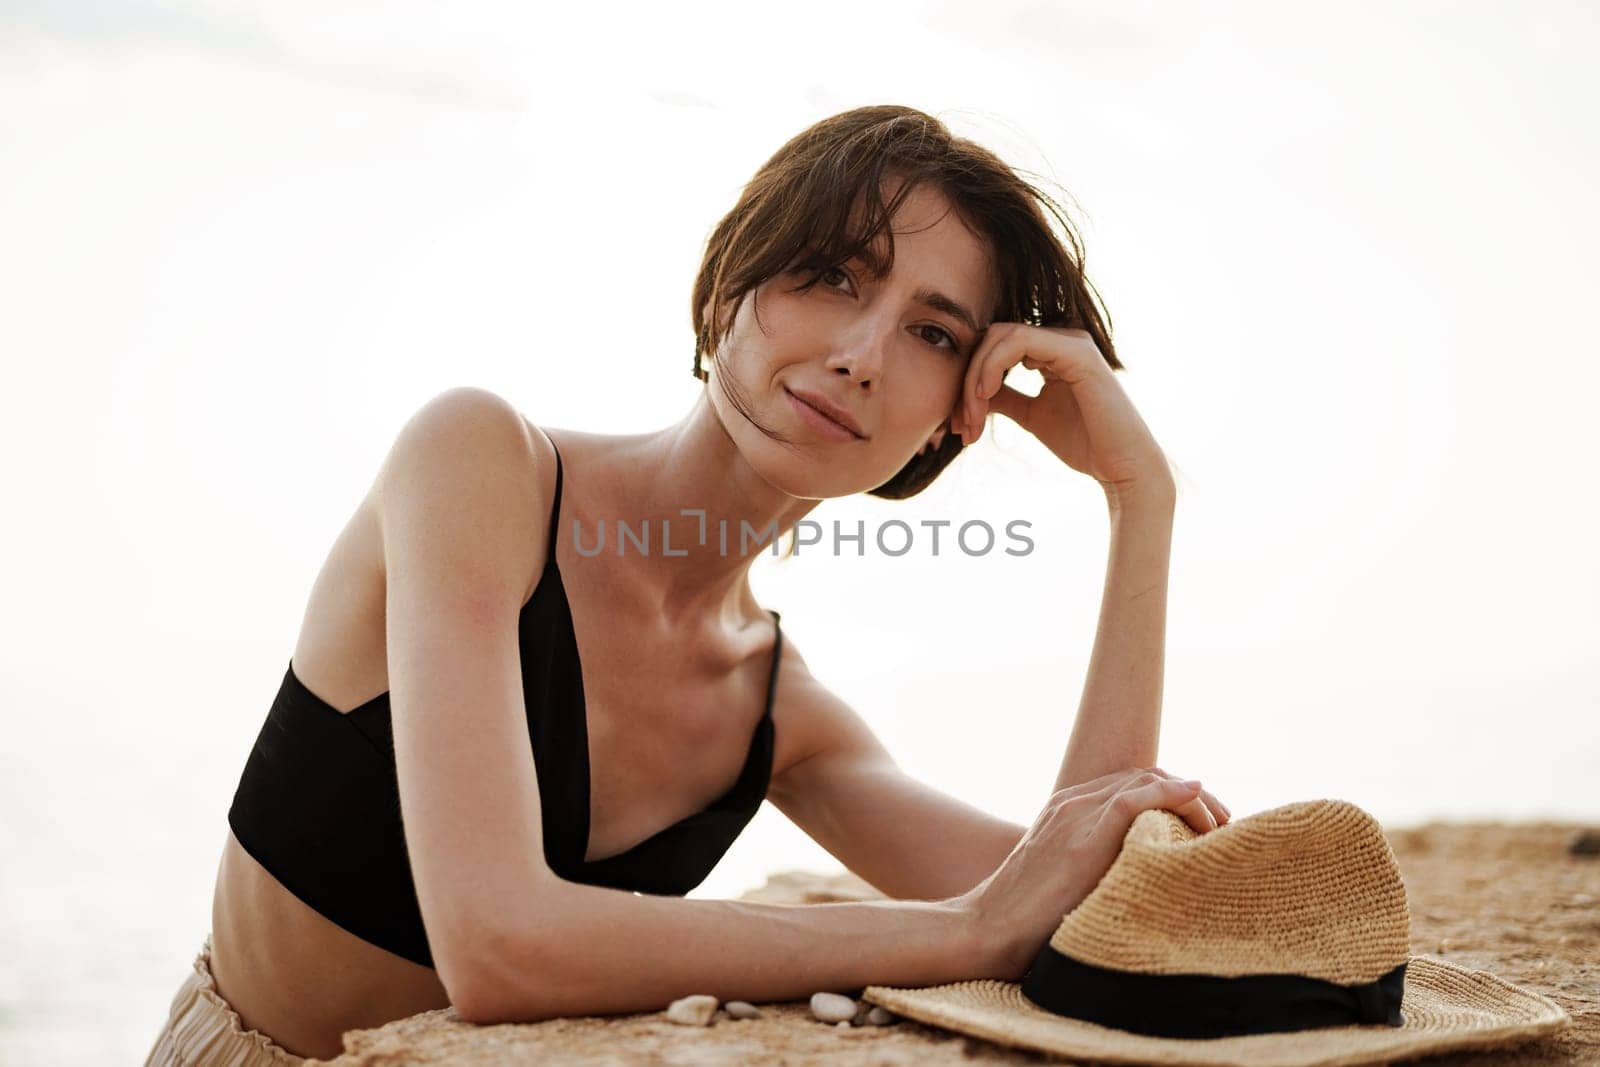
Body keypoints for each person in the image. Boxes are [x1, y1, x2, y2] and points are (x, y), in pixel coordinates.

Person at [144, 103, 1230, 1066]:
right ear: (727, 290)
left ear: (952, 418)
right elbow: (496, 942)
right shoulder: (477, 463)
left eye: (931, 331)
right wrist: (965, 928)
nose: (860, 351)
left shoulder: (779, 714)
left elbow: (1088, 902)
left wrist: (1141, 501)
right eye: (832, 275)